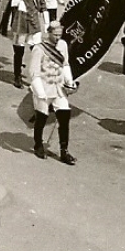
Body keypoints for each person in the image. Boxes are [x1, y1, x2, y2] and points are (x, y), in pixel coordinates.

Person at [29, 20, 78, 165]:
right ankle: (38, 144)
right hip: (44, 88)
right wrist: (39, 92)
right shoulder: (39, 48)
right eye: (55, 35)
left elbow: (65, 64)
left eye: (59, 35)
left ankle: (64, 151)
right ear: (49, 33)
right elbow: (34, 72)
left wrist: (69, 81)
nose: (57, 38)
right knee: (42, 117)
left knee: (64, 116)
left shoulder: (63, 45)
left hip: (58, 87)